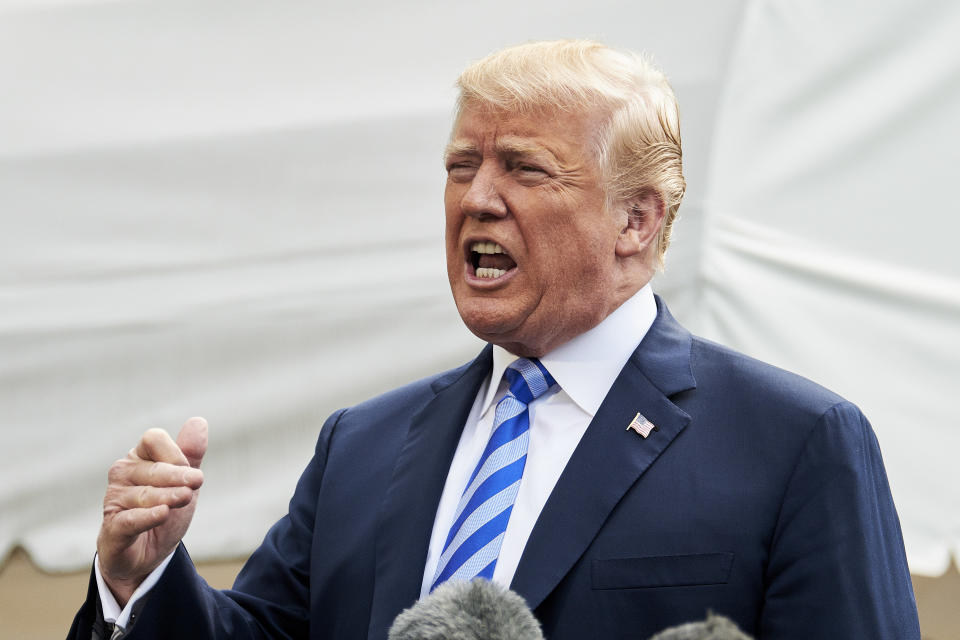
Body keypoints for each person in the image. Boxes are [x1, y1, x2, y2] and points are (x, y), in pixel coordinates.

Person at [70, 40, 920, 639]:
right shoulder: (362, 445)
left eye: (524, 167)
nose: (476, 198)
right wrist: (140, 580)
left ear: (636, 219)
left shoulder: (795, 443)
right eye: (459, 166)